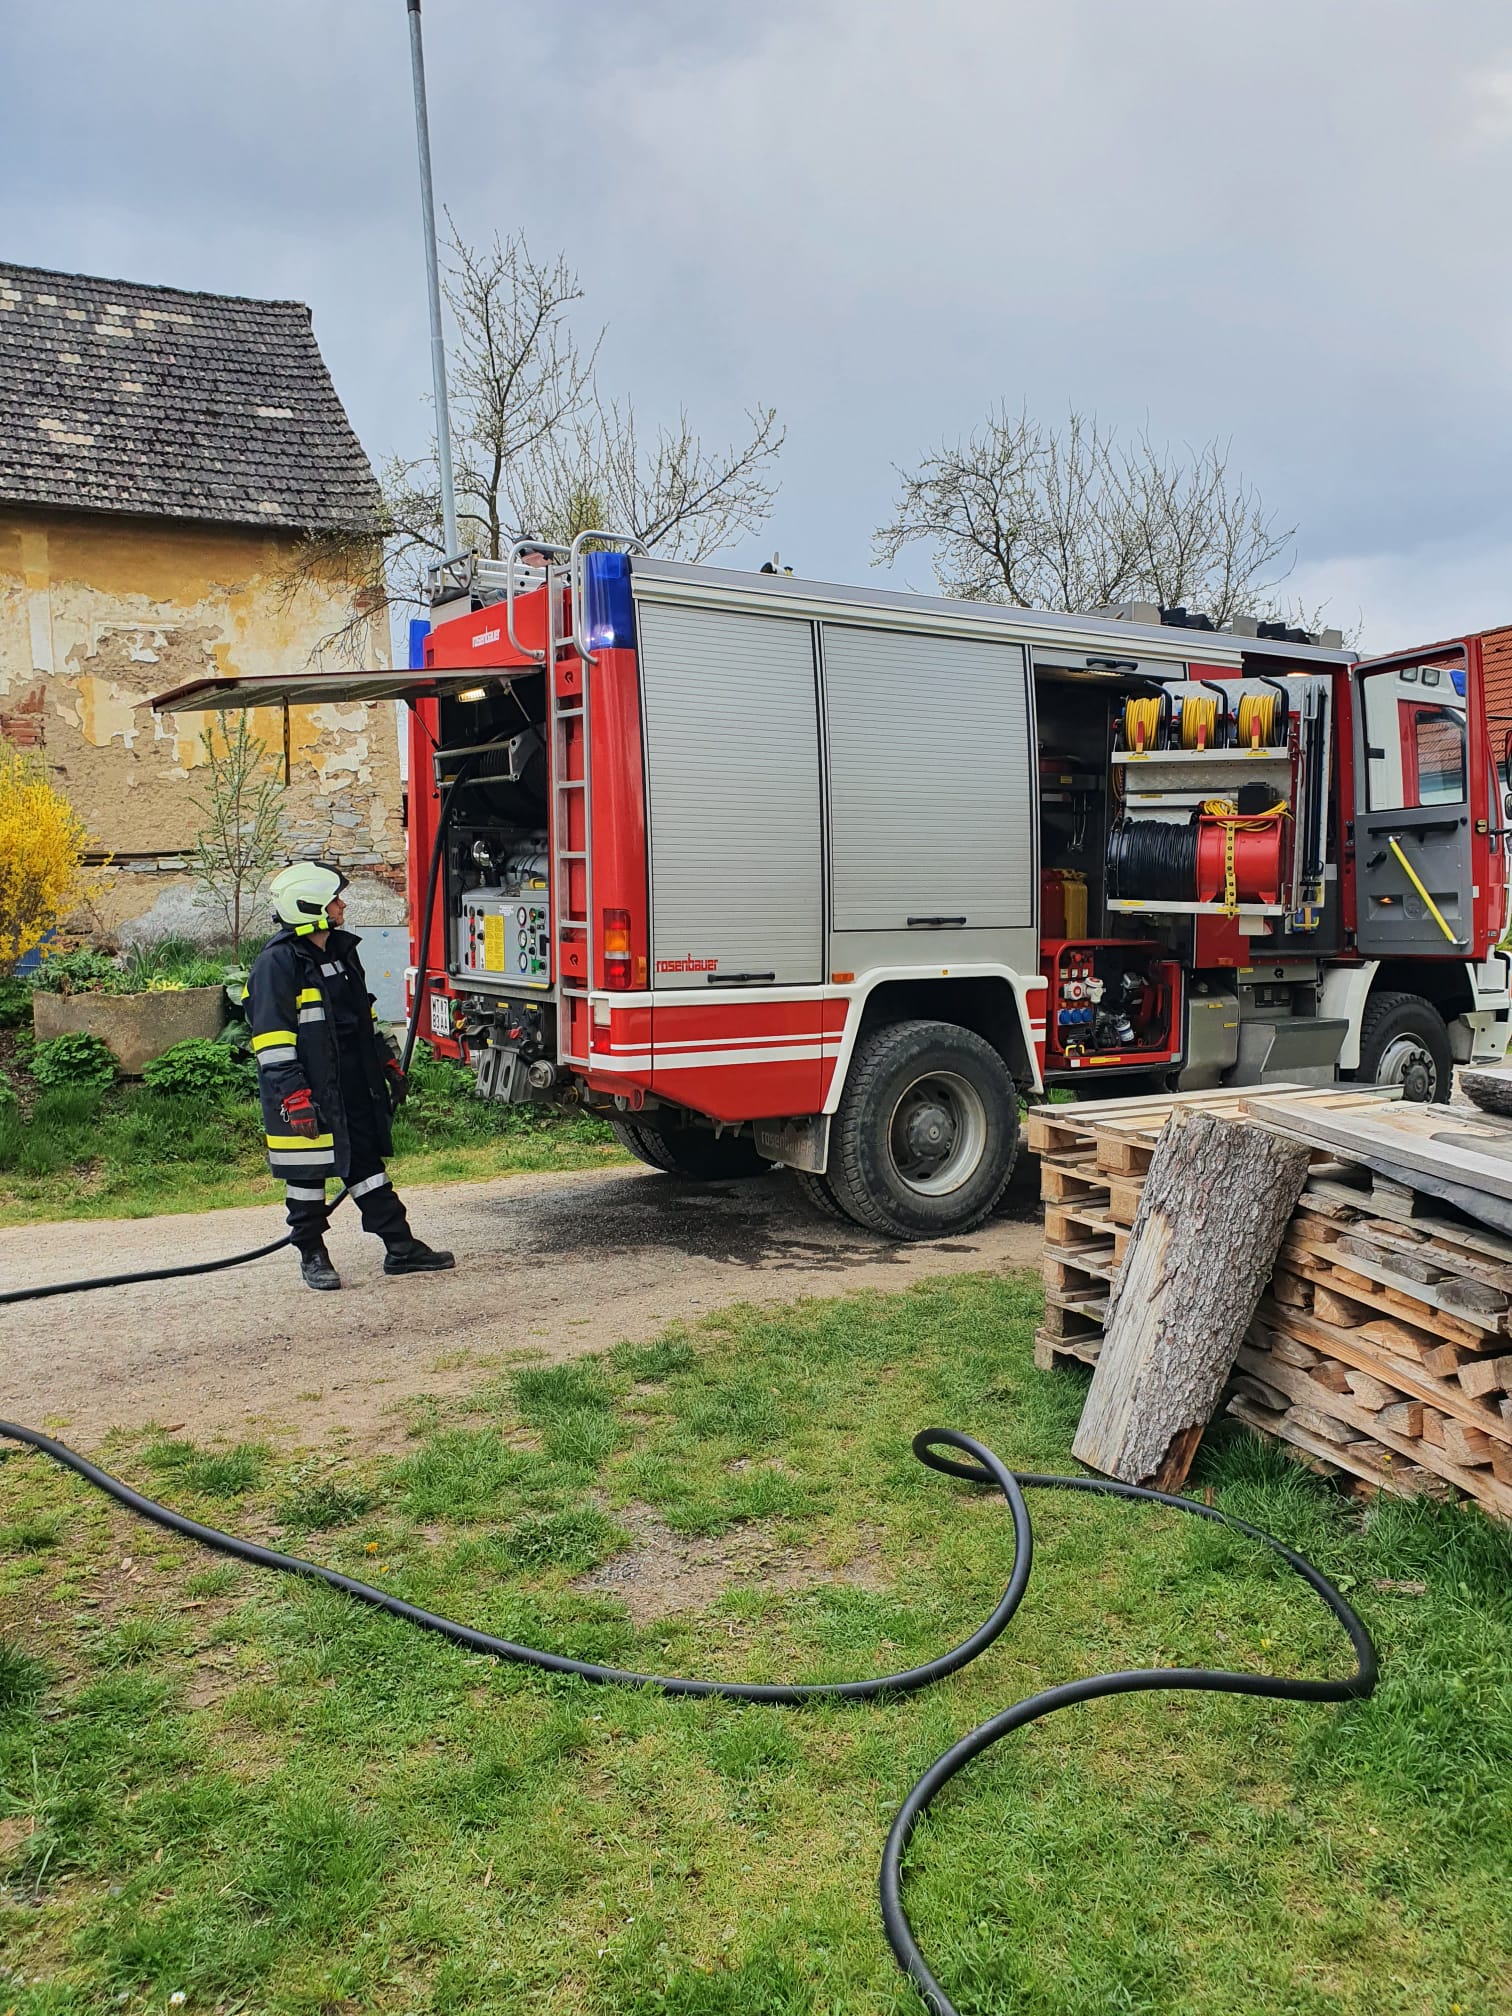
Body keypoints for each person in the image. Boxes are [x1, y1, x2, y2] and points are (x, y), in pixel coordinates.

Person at [247, 861, 455, 1290]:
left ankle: (400, 1247)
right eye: (334, 899)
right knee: (307, 1177)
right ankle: (312, 1254)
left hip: (351, 1083)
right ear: (310, 907)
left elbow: (363, 1018)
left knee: (366, 1165)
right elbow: (272, 1041)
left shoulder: (341, 951)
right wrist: (295, 1096)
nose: (342, 905)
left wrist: (386, 1062)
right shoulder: (277, 964)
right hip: (305, 1090)